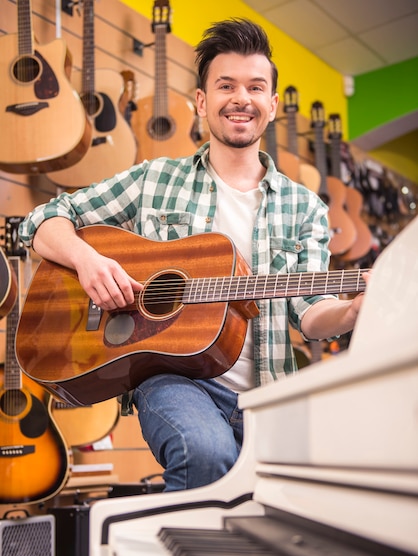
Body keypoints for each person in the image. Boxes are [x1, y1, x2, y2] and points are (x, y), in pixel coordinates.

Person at [19, 18, 369, 491]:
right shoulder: (154, 178)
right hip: (171, 377)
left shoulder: (304, 206)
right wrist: (88, 261)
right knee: (205, 454)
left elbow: (308, 314)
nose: (241, 98)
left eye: (255, 87)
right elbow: (41, 221)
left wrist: (352, 310)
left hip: (271, 393)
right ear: (202, 101)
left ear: (270, 103)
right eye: (226, 85)